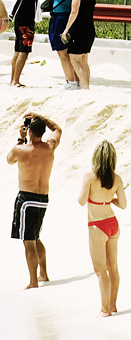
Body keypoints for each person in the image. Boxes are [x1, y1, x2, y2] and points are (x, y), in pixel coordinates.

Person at [7, 111, 62, 289]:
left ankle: (33, 281)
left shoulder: (21, 149)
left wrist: (20, 138)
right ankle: (43, 273)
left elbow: (9, 160)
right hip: (43, 198)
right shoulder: (50, 147)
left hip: (26, 199)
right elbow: (58, 129)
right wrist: (41, 117)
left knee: (28, 241)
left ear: (29, 131)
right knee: (36, 237)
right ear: (42, 132)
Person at [77, 140, 126, 317]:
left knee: (100, 271)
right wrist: (110, 200)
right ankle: (112, 306)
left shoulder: (89, 176)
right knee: (113, 268)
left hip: (97, 226)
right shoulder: (117, 178)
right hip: (113, 223)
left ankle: (105, 310)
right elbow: (124, 204)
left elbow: (81, 201)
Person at [38, 0, 80, 89]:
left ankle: (70, 81)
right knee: (73, 53)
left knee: (62, 53)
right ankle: (77, 80)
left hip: (60, 17)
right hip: (76, 18)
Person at [60, 0, 96, 91]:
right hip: (90, 29)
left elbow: (74, 13)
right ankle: (86, 85)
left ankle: (85, 86)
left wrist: (66, 30)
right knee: (84, 60)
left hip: (79, 30)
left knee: (75, 59)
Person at [10, 0, 42, 88]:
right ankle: (15, 81)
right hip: (26, 23)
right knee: (24, 51)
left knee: (17, 51)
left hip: (18, 21)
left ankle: (13, 79)